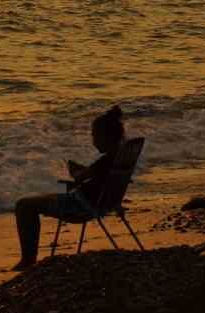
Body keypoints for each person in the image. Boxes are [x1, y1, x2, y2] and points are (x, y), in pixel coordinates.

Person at [14, 106, 125, 268]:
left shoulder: (105, 161)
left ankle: (28, 260)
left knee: (23, 205)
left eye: (94, 136)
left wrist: (74, 169)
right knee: (41, 196)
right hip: (100, 202)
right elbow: (91, 175)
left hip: (80, 205)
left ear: (106, 137)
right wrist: (82, 172)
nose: (93, 140)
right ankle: (28, 259)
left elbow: (80, 177)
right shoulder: (119, 156)